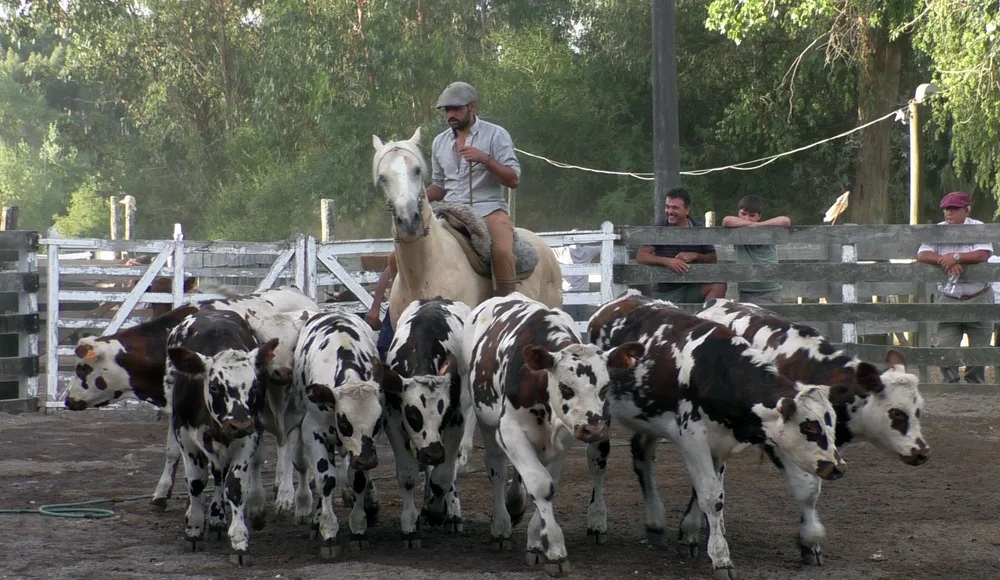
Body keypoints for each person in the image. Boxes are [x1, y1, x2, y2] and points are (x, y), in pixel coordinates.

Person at [366, 81, 521, 340]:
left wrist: (485, 159)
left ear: (472, 107)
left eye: (456, 109)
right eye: (447, 110)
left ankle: (508, 317)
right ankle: (395, 321)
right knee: (397, 256)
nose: (450, 115)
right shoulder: (440, 142)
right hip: (449, 211)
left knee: (502, 252)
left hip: (489, 210)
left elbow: (513, 179)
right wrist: (413, 198)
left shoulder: (496, 135)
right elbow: (440, 185)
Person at [916, 191, 994, 384]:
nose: (948, 213)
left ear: (966, 210)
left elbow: (983, 254)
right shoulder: (938, 230)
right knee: (945, 343)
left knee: (980, 346)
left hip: (978, 296)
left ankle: (975, 383)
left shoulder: (978, 228)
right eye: (946, 209)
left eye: (954, 209)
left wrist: (957, 258)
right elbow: (923, 253)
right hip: (949, 296)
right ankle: (950, 382)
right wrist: (946, 260)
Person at [636, 188, 726, 304]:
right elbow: (641, 256)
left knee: (719, 284)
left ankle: (706, 315)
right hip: (666, 292)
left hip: (694, 287)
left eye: (675, 208)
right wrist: (668, 262)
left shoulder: (699, 229)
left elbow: (712, 259)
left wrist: (695, 255)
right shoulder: (659, 229)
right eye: (667, 207)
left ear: (687, 210)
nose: (670, 211)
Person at [721, 195, 791, 304]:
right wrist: (753, 224)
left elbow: (786, 221)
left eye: (752, 215)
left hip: (769, 288)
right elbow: (726, 221)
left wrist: (759, 226)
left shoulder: (768, 230)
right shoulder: (736, 230)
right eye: (743, 214)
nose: (746, 218)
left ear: (759, 216)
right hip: (747, 288)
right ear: (738, 213)